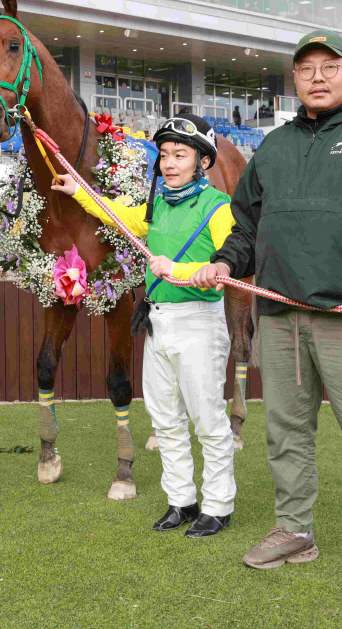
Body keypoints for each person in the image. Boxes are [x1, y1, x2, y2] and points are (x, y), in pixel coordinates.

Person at [192, 29, 342, 592]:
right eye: (306, 69)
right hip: (281, 317)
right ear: (295, 79)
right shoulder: (275, 146)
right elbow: (246, 226)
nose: (318, 77)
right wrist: (226, 262)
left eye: (330, 66)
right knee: (285, 431)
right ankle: (294, 530)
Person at [51, 117, 237, 538]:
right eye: (165, 155)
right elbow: (117, 215)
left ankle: (218, 505)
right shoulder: (158, 204)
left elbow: (228, 267)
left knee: (208, 422)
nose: (169, 163)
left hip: (199, 322)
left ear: (203, 161)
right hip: (157, 321)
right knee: (165, 419)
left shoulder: (218, 206)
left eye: (180, 155)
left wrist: (180, 270)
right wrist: (79, 190)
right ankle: (182, 501)